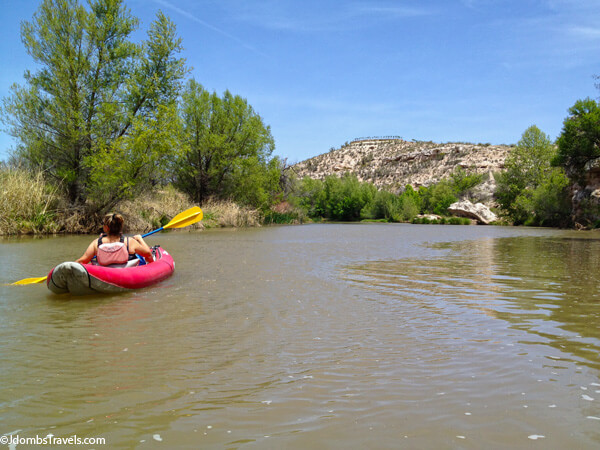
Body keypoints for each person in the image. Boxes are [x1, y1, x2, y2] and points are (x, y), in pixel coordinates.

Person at [77, 213, 153, 265]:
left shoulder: (97, 243)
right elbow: (148, 254)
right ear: (121, 227)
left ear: (106, 228)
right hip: (125, 274)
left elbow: (83, 261)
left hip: (104, 275)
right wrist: (140, 239)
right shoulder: (129, 241)